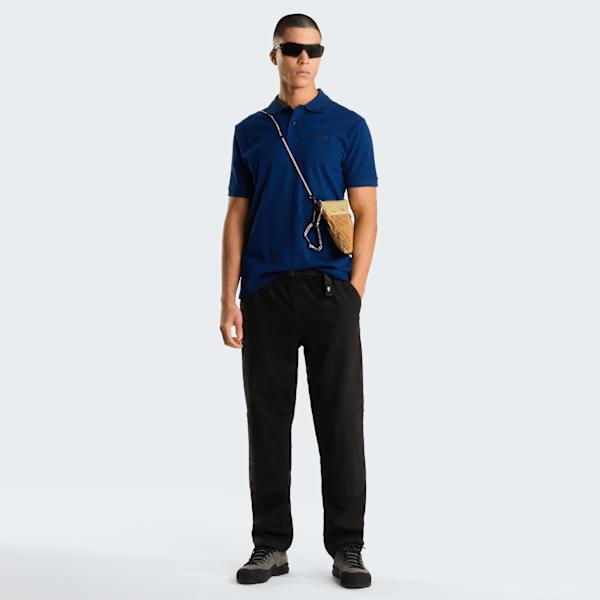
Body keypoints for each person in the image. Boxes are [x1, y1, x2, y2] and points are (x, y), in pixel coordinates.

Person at [220, 13, 378, 589]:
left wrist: (354, 292)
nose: (303, 59)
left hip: (330, 291)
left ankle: (347, 546)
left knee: (341, 421)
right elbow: (236, 217)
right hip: (265, 293)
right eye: (292, 49)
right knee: (267, 422)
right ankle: (270, 544)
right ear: (275, 56)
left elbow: (367, 213)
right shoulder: (251, 131)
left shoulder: (349, 126)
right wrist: (228, 297)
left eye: (313, 50)